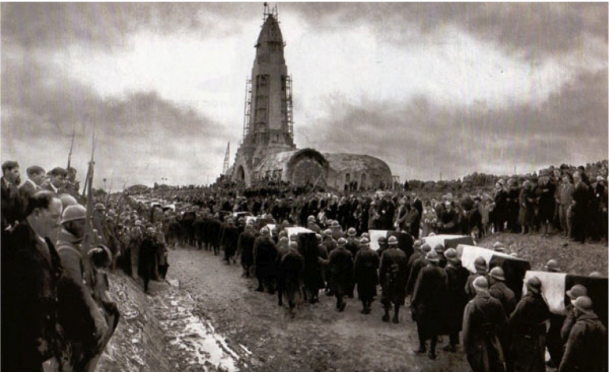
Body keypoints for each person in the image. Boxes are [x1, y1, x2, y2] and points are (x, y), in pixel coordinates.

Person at [2, 191, 63, 371]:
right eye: (54, 216)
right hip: (23, 341)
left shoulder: (44, 239)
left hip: (41, 338)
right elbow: (22, 303)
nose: (59, 222)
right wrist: (42, 349)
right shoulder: (15, 243)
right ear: (36, 213)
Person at [462, 276, 507, 372]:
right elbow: (503, 323)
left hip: (477, 342)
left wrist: (466, 348)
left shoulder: (472, 305)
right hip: (493, 341)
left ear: (475, 288)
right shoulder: (496, 302)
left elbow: (466, 329)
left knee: (479, 366)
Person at [411, 250, 447, 360]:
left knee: (421, 324)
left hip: (424, 302)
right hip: (438, 302)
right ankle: (432, 350)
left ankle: (422, 346)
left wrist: (414, 301)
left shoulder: (424, 271)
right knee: (435, 326)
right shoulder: (443, 272)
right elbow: (446, 288)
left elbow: (418, 286)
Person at [509, 276, 550, 372]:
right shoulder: (543, 300)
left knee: (526, 365)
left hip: (526, 339)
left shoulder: (525, 302)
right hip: (538, 338)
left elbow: (512, 319)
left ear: (528, 287)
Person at [558, 296, 607, 372]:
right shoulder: (601, 326)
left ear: (580, 311)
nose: (574, 310)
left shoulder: (578, 327)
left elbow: (568, 354)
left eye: (575, 308)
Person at [489, 267, 516, 372]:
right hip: (508, 325)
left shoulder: (492, 292)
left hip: (496, 326)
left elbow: (490, 311)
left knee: (495, 352)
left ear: (493, 278)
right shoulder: (510, 291)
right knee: (508, 351)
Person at [443, 248, 470, 353]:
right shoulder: (464, 269)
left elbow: (446, 285)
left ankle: (452, 343)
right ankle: (455, 341)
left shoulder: (448, 270)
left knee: (451, 319)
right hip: (461, 297)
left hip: (450, 298)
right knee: (458, 318)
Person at [380, 235, 409, 323]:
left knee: (386, 296)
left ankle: (386, 314)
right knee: (397, 297)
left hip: (388, 277)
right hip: (399, 278)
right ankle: (396, 316)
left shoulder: (385, 253)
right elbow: (405, 268)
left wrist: (381, 280)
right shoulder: (403, 253)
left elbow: (382, 268)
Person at [277, 242, 304, 317]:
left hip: (288, 277)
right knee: (296, 290)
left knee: (289, 291)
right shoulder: (300, 257)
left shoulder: (286, 257)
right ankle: (295, 303)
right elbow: (302, 268)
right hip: (297, 277)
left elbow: (282, 267)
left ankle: (291, 305)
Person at [353, 238, 380, 314]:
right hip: (372, 275)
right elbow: (378, 264)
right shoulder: (374, 253)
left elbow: (356, 265)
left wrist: (355, 276)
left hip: (362, 275)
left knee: (362, 291)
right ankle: (369, 304)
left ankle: (365, 307)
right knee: (371, 290)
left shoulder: (359, 253)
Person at [327, 238, 354, 312]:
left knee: (336, 288)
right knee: (342, 287)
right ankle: (340, 301)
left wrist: (329, 271)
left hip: (335, 273)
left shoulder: (332, 252)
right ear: (345, 244)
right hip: (345, 273)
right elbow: (351, 264)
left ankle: (340, 301)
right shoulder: (348, 253)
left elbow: (329, 263)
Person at [253, 227, 279, 294]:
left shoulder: (259, 240)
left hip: (262, 260)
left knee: (262, 274)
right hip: (267, 261)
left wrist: (255, 260)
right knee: (267, 275)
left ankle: (263, 287)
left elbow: (255, 251)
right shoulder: (270, 241)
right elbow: (275, 251)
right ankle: (268, 288)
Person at [1, 160, 22, 229]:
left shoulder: (15, 188)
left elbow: (18, 207)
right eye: (15, 171)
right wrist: (6, 225)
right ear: (7, 171)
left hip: (12, 228)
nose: (18, 174)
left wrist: (17, 221)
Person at [571, 172, 589, 243]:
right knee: (576, 221)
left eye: (576, 177)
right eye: (574, 177)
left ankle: (582, 239)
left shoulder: (582, 185)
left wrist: (576, 202)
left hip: (582, 207)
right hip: (577, 206)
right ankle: (577, 237)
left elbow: (584, 197)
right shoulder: (575, 185)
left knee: (581, 222)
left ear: (579, 177)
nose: (575, 179)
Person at [140, 227, 158, 293]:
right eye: (152, 233)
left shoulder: (151, 240)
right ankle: (145, 288)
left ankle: (147, 287)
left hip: (150, 259)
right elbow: (145, 251)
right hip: (146, 260)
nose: (153, 234)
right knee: (146, 274)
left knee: (148, 274)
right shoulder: (146, 241)